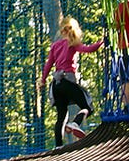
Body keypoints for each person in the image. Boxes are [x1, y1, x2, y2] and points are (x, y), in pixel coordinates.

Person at [42, 16, 103, 146]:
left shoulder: (55, 46)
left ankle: (58, 146)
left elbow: (48, 65)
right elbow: (88, 49)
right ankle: (75, 123)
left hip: (56, 85)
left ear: (62, 30)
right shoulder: (72, 44)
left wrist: (42, 81)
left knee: (61, 116)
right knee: (88, 107)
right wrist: (101, 42)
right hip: (67, 81)